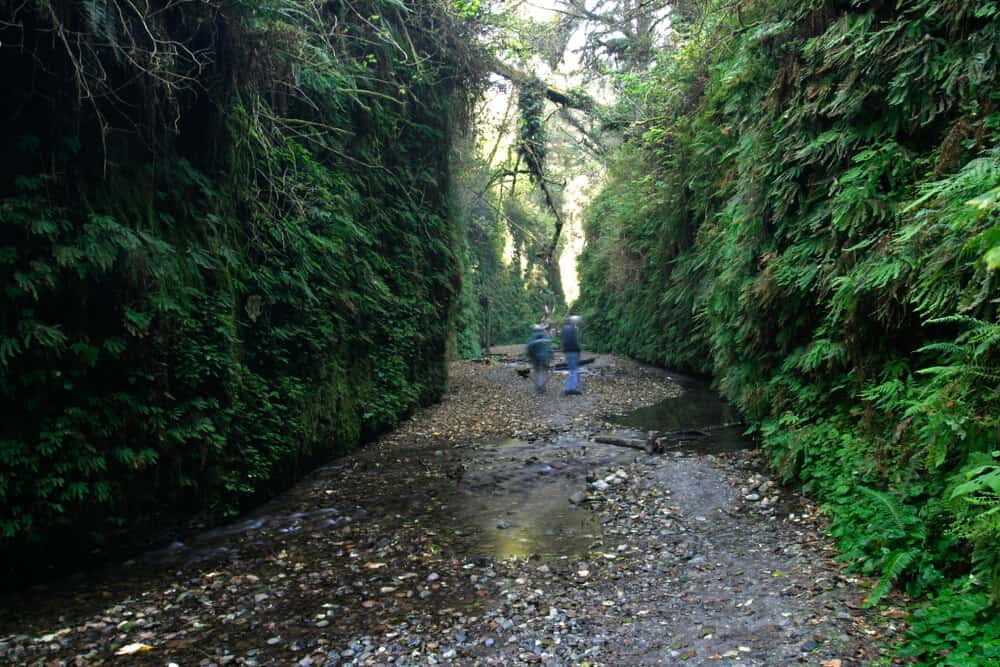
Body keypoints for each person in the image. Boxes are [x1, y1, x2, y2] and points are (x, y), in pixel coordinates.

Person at [525, 324, 552, 394]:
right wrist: (551, 355)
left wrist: (529, 357)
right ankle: (542, 386)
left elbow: (529, 349)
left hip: (535, 358)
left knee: (537, 371)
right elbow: (549, 348)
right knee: (543, 372)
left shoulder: (532, 338)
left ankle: (539, 386)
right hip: (545, 358)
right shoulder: (545, 337)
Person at [562, 315, 582, 395]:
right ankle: (571, 389)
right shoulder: (573, 329)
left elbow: (563, 340)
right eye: (577, 321)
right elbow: (574, 342)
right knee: (574, 370)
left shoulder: (565, 328)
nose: (578, 322)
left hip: (567, 351)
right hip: (573, 351)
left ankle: (568, 387)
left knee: (571, 370)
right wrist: (578, 350)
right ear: (574, 321)